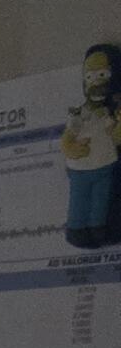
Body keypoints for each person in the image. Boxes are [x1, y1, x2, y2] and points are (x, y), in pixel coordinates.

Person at [64, 44, 121, 249]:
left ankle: (98, 229)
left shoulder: (110, 113)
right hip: (81, 167)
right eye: (90, 77)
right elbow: (68, 136)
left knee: (100, 200)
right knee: (79, 201)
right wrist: (70, 148)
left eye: (103, 75)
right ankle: (77, 229)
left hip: (105, 167)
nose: (96, 82)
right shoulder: (80, 112)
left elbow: (116, 135)